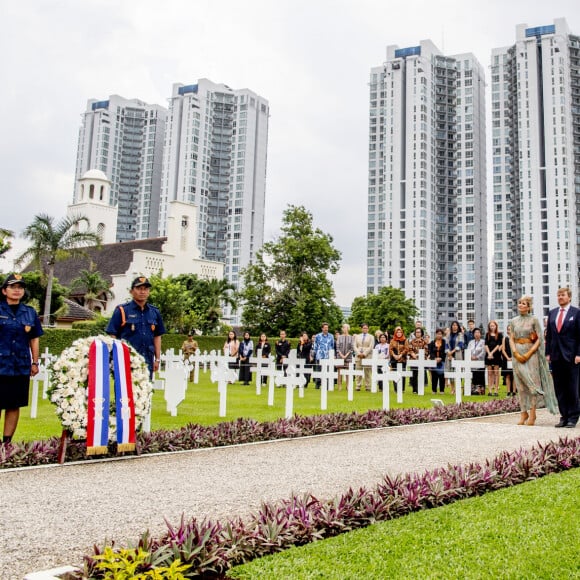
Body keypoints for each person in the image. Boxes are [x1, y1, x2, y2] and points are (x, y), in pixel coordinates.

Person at [0, 274, 43, 444]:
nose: (17, 290)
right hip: (0, 365)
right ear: (4, 291)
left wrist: (35, 362)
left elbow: (34, 338)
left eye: (20, 287)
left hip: (19, 365)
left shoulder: (30, 312)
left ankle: (6, 443)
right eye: (13, 287)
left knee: (14, 404)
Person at [509, 295, 558, 426]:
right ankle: (523, 412)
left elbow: (539, 339)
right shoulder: (513, 321)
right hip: (517, 354)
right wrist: (515, 352)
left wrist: (529, 353)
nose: (520, 305)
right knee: (520, 385)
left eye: (523, 303)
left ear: (529, 306)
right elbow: (511, 338)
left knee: (532, 384)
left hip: (531, 355)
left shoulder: (534, 320)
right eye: (519, 303)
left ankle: (532, 413)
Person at [106, 276, 166, 378]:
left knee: (146, 391)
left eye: (145, 289)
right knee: (125, 393)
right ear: (131, 291)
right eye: (139, 289)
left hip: (147, 360)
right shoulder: (122, 310)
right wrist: (115, 357)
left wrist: (157, 359)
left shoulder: (154, 312)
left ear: (149, 292)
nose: (142, 292)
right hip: (127, 360)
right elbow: (112, 334)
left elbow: (157, 336)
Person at [545, 287, 580, 428]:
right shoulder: (552, 313)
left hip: (571, 357)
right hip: (556, 356)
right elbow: (550, 335)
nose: (560, 297)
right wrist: (548, 353)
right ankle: (563, 416)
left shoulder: (576, 313)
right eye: (558, 295)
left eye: (563, 295)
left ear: (569, 297)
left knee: (572, 387)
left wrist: (578, 354)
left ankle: (573, 417)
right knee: (559, 388)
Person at [312, 323, 335, 389]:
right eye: (325, 328)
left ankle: (327, 384)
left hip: (328, 356)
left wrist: (332, 354)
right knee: (319, 370)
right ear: (322, 328)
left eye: (327, 328)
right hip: (320, 355)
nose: (326, 329)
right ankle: (318, 383)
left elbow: (332, 346)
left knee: (327, 370)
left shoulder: (331, 336)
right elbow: (315, 346)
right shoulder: (318, 336)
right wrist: (314, 354)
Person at [353, 323, 374, 391]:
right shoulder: (357, 336)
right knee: (358, 371)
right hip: (358, 355)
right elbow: (354, 346)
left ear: (368, 329)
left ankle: (368, 386)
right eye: (364, 328)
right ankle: (358, 385)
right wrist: (358, 353)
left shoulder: (371, 337)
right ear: (361, 329)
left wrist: (364, 354)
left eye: (366, 328)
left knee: (367, 372)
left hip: (367, 355)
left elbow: (371, 346)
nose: (365, 329)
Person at [484, 320, 503, 396]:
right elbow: (486, 345)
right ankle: (490, 390)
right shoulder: (487, 334)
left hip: (496, 356)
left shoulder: (499, 334)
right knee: (489, 373)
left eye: (493, 325)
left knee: (496, 373)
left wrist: (492, 353)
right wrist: (489, 353)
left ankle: (496, 390)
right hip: (488, 356)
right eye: (491, 326)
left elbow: (499, 345)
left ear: (496, 326)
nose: (492, 327)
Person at [445, 321, 464, 393]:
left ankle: (457, 388)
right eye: (453, 325)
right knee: (450, 372)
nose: (454, 326)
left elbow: (460, 344)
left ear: (458, 326)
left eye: (456, 325)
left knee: (458, 372)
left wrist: (452, 352)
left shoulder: (460, 334)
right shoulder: (448, 335)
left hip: (457, 354)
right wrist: (448, 352)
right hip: (449, 356)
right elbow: (446, 344)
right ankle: (452, 388)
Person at [408, 327, 428, 394]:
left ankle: (420, 389)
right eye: (416, 332)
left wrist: (419, 355)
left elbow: (426, 351)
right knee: (414, 375)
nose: (418, 333)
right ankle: (414, 389)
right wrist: (413, 354)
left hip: (421, 360)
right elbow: (410, 350)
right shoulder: (412, 342)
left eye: (419, 332)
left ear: (421, 333)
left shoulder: (424, 342)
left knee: (421, 375)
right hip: (413, 360)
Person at [389, 326, 409, 392]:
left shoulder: (405, 340)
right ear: (395, 333)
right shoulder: (392, 340)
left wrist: (401, 355)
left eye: (400, 332)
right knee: (395, 374)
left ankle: (402, 389)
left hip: (402, 359)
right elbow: (390, 349)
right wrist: (394, 355)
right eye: (397, 332)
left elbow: (406, 349)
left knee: (402, 374)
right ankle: (396, 389)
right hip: (394, 360)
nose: (399, 333)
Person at [467, 328, 486, 395]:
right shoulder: (470, 342)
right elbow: (468, 350)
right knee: (473, 376)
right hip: (472, 362)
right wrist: (470, 357)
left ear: (480, 334)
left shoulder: (483, 342)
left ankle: (480, 391)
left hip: (480, 361)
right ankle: (473, 391)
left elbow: (483, 352)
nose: (477, 334)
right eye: (475, 333)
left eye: (478, 332)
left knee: (480, 376)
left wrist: (477, 357)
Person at [428, 328, 446, 393]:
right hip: (434, 361)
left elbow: (445, 351)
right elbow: (430, 352)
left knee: (442, 375)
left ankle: (442, 390)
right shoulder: (432, 342)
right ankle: (434, 390)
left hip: (442, 361)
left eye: (440, 334)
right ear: (436, 334)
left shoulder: (444, 342)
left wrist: (440, 358)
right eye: (438, 334)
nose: (439, 335)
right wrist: (435, 358)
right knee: (434, 376)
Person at [336, 323, 353, 389]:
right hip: (340, 356)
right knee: (339, 371)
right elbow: (337, 347)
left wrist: (346, 355)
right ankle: (339, 385)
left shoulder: (351, 337)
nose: (345, 329)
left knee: (347, 371)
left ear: (348, 329)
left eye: (346, 327)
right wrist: (341, 355)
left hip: (348, 356)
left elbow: (351, 347)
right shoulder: (339, 337)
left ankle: (347, 385)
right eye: (343, 328)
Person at [501, 326, 515, 397]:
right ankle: (508, 392)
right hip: (506, 359)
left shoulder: (516, 339)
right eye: (508, 329)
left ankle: (514, 392)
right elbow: (503, 349)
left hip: (515, 359)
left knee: (514, 375)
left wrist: (514, 357)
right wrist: (507, 358)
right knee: (507, 375)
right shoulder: (504, 339)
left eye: (511, 329)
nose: (509, 331)